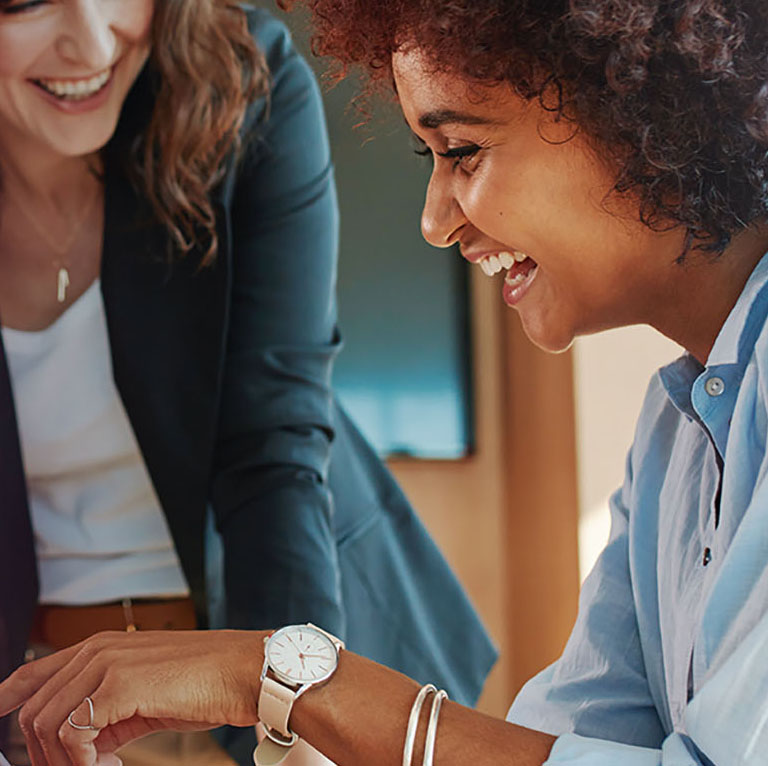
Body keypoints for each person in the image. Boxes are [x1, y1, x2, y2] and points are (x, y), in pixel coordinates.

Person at [4, 0, 768, 763]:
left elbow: (272, 444)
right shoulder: (674, 435)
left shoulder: (236, 81)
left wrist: (285, 681)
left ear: (644, 114)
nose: (434, 223)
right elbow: (574, 742)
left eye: (463, 150)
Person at [0, 1, 496, 765]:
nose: (93, 40)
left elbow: (271, 448)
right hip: (41, 704)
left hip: (263, 656)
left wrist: (293, 723)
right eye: (27, 3)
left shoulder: (242, 79)